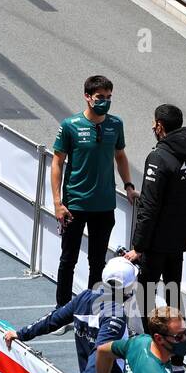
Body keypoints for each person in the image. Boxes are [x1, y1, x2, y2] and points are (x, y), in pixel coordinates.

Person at [4, 257, 138, 373]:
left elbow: (53, 319)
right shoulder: (116, 315)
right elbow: (100, 351)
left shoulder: (84, 296)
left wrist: (23, 333)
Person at [51, 75, 136, 307]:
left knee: (97, 262)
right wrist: (58, 202)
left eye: (109, 97)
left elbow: (120, 156)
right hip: (74, 206)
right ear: (88, 97)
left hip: (105, 205)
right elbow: (57, 162)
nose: (105, 101)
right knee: (68, 260)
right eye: (100, 97)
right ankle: (62, 310)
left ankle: (90, 310)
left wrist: (128, 186)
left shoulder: (116, 124)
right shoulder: (70, 125)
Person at [126, 104, 186, 309]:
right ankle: (176, 339)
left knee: (145, 296)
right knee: (173, 293)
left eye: (154, 123)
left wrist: (139, 247)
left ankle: (151, 340)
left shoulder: (158, 157)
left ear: (159, 126)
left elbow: (149, 207)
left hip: (156, 243)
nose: (153, 126)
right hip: (180, 238)